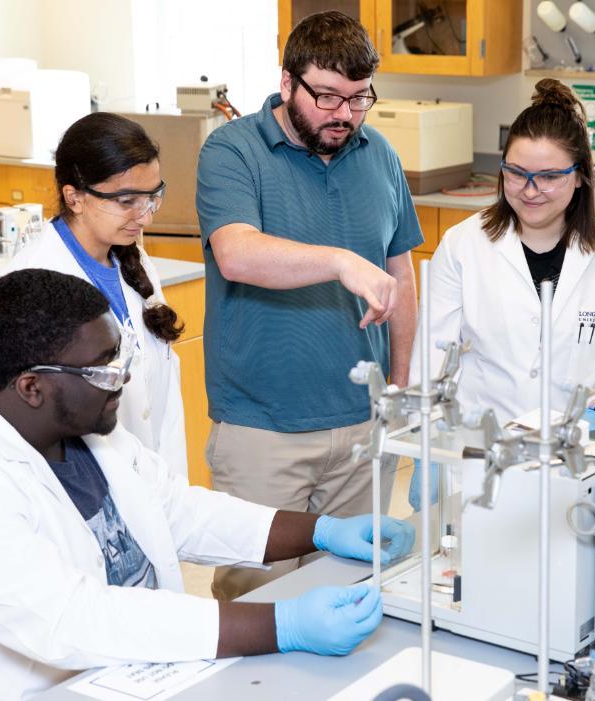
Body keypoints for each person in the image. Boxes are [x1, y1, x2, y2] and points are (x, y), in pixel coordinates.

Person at [0, 269, 415, 701]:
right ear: (32, 386)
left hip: (104, 676)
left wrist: (323, 531)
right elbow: (71, 619)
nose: (123, 378)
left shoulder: (84, 429)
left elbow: (179, 511)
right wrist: (282, 626)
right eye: (103, 367)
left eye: (121, 355)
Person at [195, 10, 422, 599]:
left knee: (355, 589)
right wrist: (340, 261)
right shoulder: (232, 150)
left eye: (358, 98)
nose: (344, 114)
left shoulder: (379, 155)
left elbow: (400, 272)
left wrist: (397, 386)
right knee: (257, 602)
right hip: (263, 431)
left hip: (361, 426)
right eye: (326, 97)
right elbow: (237, 254)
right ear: (288, 82)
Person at [410, 79, 595, 508]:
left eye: (547, 177)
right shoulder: (463, 245)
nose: (528, 190)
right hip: (479, 455)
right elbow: (431, 359)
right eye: (516, 173)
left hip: (577, 456)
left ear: (580, 177)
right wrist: (427, 449)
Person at [9, 112, 189, 480]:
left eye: (152, 198)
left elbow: (160, 395)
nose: (146, 218)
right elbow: (24, 419)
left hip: (155, 483)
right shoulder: (31, 283)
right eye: (127, 201)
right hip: (82, 495)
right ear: (73, 197)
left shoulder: (131, 259)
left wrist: (171, 487)